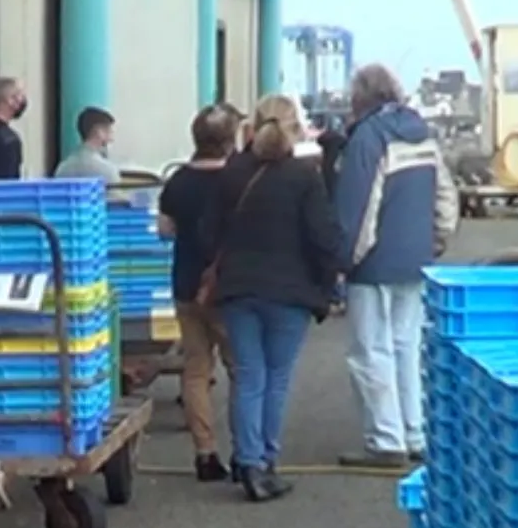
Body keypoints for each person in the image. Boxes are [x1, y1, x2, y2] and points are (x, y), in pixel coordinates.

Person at [203, 95, 348, 502]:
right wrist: (330, 281)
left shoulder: (232, 172)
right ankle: (265, 461)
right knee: (276, 378)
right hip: (290, 292)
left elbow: (208, 232)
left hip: (239, 288)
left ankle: (247, 460)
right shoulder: (304, 176)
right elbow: (323, 237)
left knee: (249, 376)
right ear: (294, 129)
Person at [333, 64, 460, 469]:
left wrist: (345, 262)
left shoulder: (368, 138)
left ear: (361, 98)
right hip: (417, 257)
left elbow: (361, 208)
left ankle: (385, 439)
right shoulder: (421, 132)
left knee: (371, 351)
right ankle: (414, 431)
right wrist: (436, 240)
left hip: (375, 264)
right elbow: (445, 195)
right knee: (407, 347)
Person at [158, 103, 244, 481]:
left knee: (195, 370)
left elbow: (164, 229)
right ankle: (246, 450)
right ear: (229, 139)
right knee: (241, 370)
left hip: (186, 282)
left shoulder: (178, 181)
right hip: (229, 286)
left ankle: (205, 453)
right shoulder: (239, 178)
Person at [53, 106, 122, 182]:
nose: (111, 140)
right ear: (99, 132)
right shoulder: (108, 171)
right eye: (109, 132)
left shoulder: (62, 169)